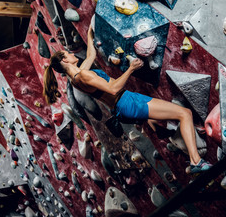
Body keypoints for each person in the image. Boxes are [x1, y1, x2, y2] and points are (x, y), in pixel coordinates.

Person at [43, 25, 212, 174]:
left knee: (157, 117)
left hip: (121, 108)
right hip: (126, 102)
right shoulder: (82, 75)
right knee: (185, 113)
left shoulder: (75, 80)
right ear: (65, 60)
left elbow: (90, 55)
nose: (71, 53)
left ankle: (167, 129)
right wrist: (131, 69)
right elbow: (113, 88)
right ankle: (196, 161)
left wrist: (89, 34)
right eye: (67, 53)